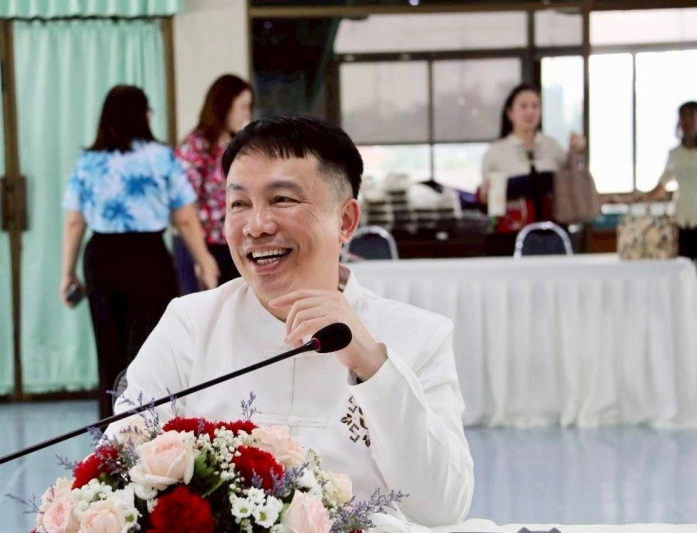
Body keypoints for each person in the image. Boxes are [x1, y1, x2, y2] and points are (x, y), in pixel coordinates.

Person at [108, 116, 474, 528]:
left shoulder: (419, 336)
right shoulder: (190, 325)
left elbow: (444, 508)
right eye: (239, 204)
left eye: (282, 199)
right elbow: (115, 468)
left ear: (345, 221)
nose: (256, 226)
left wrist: (373, 366)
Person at [60, 85, 220, 418]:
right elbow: (185, 218)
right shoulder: (162, 158)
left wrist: (67, 273)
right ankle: (151, 424)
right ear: (143, 116)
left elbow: (75, 222)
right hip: (149, 257)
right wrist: (204, 261)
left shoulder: (89, 162)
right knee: (152, 345)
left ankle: (111, 428)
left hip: (102, 257)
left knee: (109, 348)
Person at [479, 83, 586, 253]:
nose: (530, 112)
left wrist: (577, 152)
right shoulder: (495, 152)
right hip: (510, 237)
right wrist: (485, 194)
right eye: (523, 106)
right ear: (510, 113)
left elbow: (572, 183)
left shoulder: (552, 146)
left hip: (554, 233)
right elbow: (486, 201)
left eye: (535, 106)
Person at [173, 74, 254, 293]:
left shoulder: (239, 145)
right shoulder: (195, 146)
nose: (246, 115)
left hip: (236, 243)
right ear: (224, 106)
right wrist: (202, 258)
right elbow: (185, 208)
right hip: (202, 247)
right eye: (243, 107)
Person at [636, 101, 697, 260]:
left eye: (692, 117)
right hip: (682, 218)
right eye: (684, 117)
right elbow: (661, 186)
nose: (688, 122)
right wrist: (638, 199)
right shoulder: (675, 154)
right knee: (684, 263)